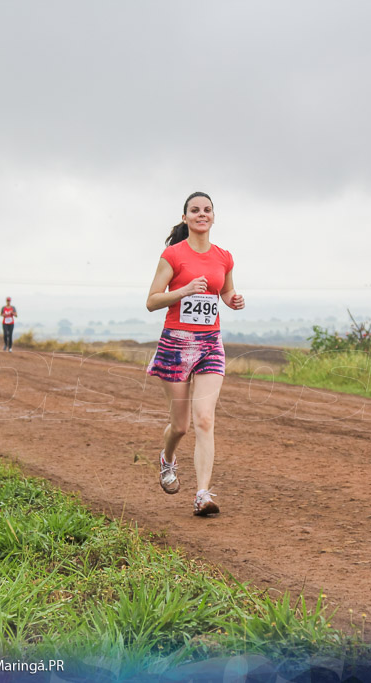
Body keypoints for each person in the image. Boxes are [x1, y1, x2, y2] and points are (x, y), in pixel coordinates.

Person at [145, 192, 244, 516]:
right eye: (195, 210)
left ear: (213, 217)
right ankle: (168, 459)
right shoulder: (172, 256)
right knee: (181, 426)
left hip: (209, 344)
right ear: (185, 217)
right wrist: (184, 290)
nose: (202, 214)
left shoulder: (224, 257)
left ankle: (202, 493)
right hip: (175, 343)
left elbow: (224, 291)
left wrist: (233, 300)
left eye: (207, 210)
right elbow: (152, 300)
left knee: (204, 419)